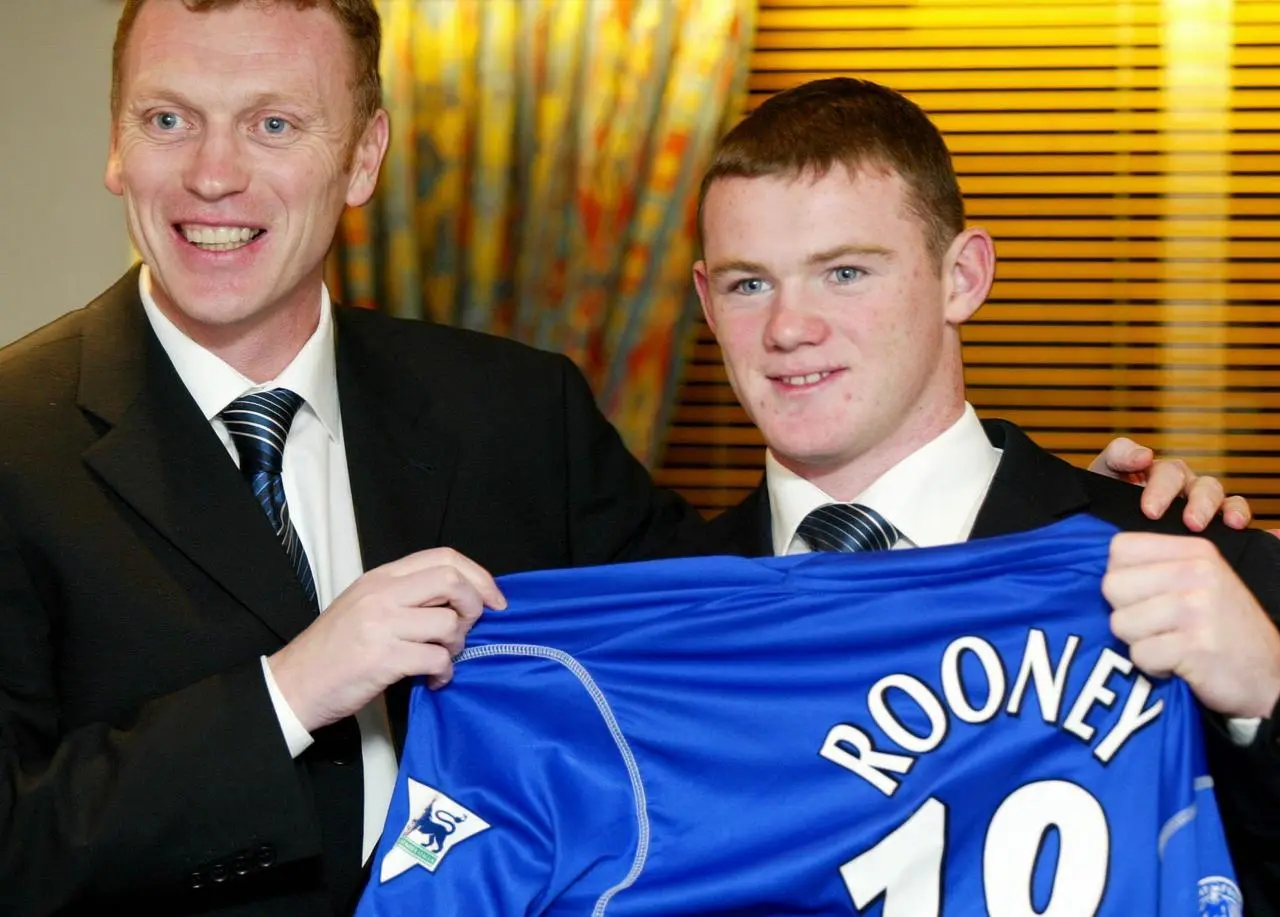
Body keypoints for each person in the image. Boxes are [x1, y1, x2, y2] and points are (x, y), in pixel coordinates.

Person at [0, 3, 1248, 914]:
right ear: (114, 142)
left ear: (362, 155)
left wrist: (1192, 578)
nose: (215, 172)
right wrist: (285, 691)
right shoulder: (15, 439)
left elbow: (715, 614)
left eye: (274, 121)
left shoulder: (512, 412)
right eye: (169, 119)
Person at [690, 77, 1280, 912]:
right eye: (751, 284)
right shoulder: (655, 605)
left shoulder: (1206, 572)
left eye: (845, 271)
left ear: (962, 277)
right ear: (706, 303)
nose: (788, 327)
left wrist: (1270, 703)